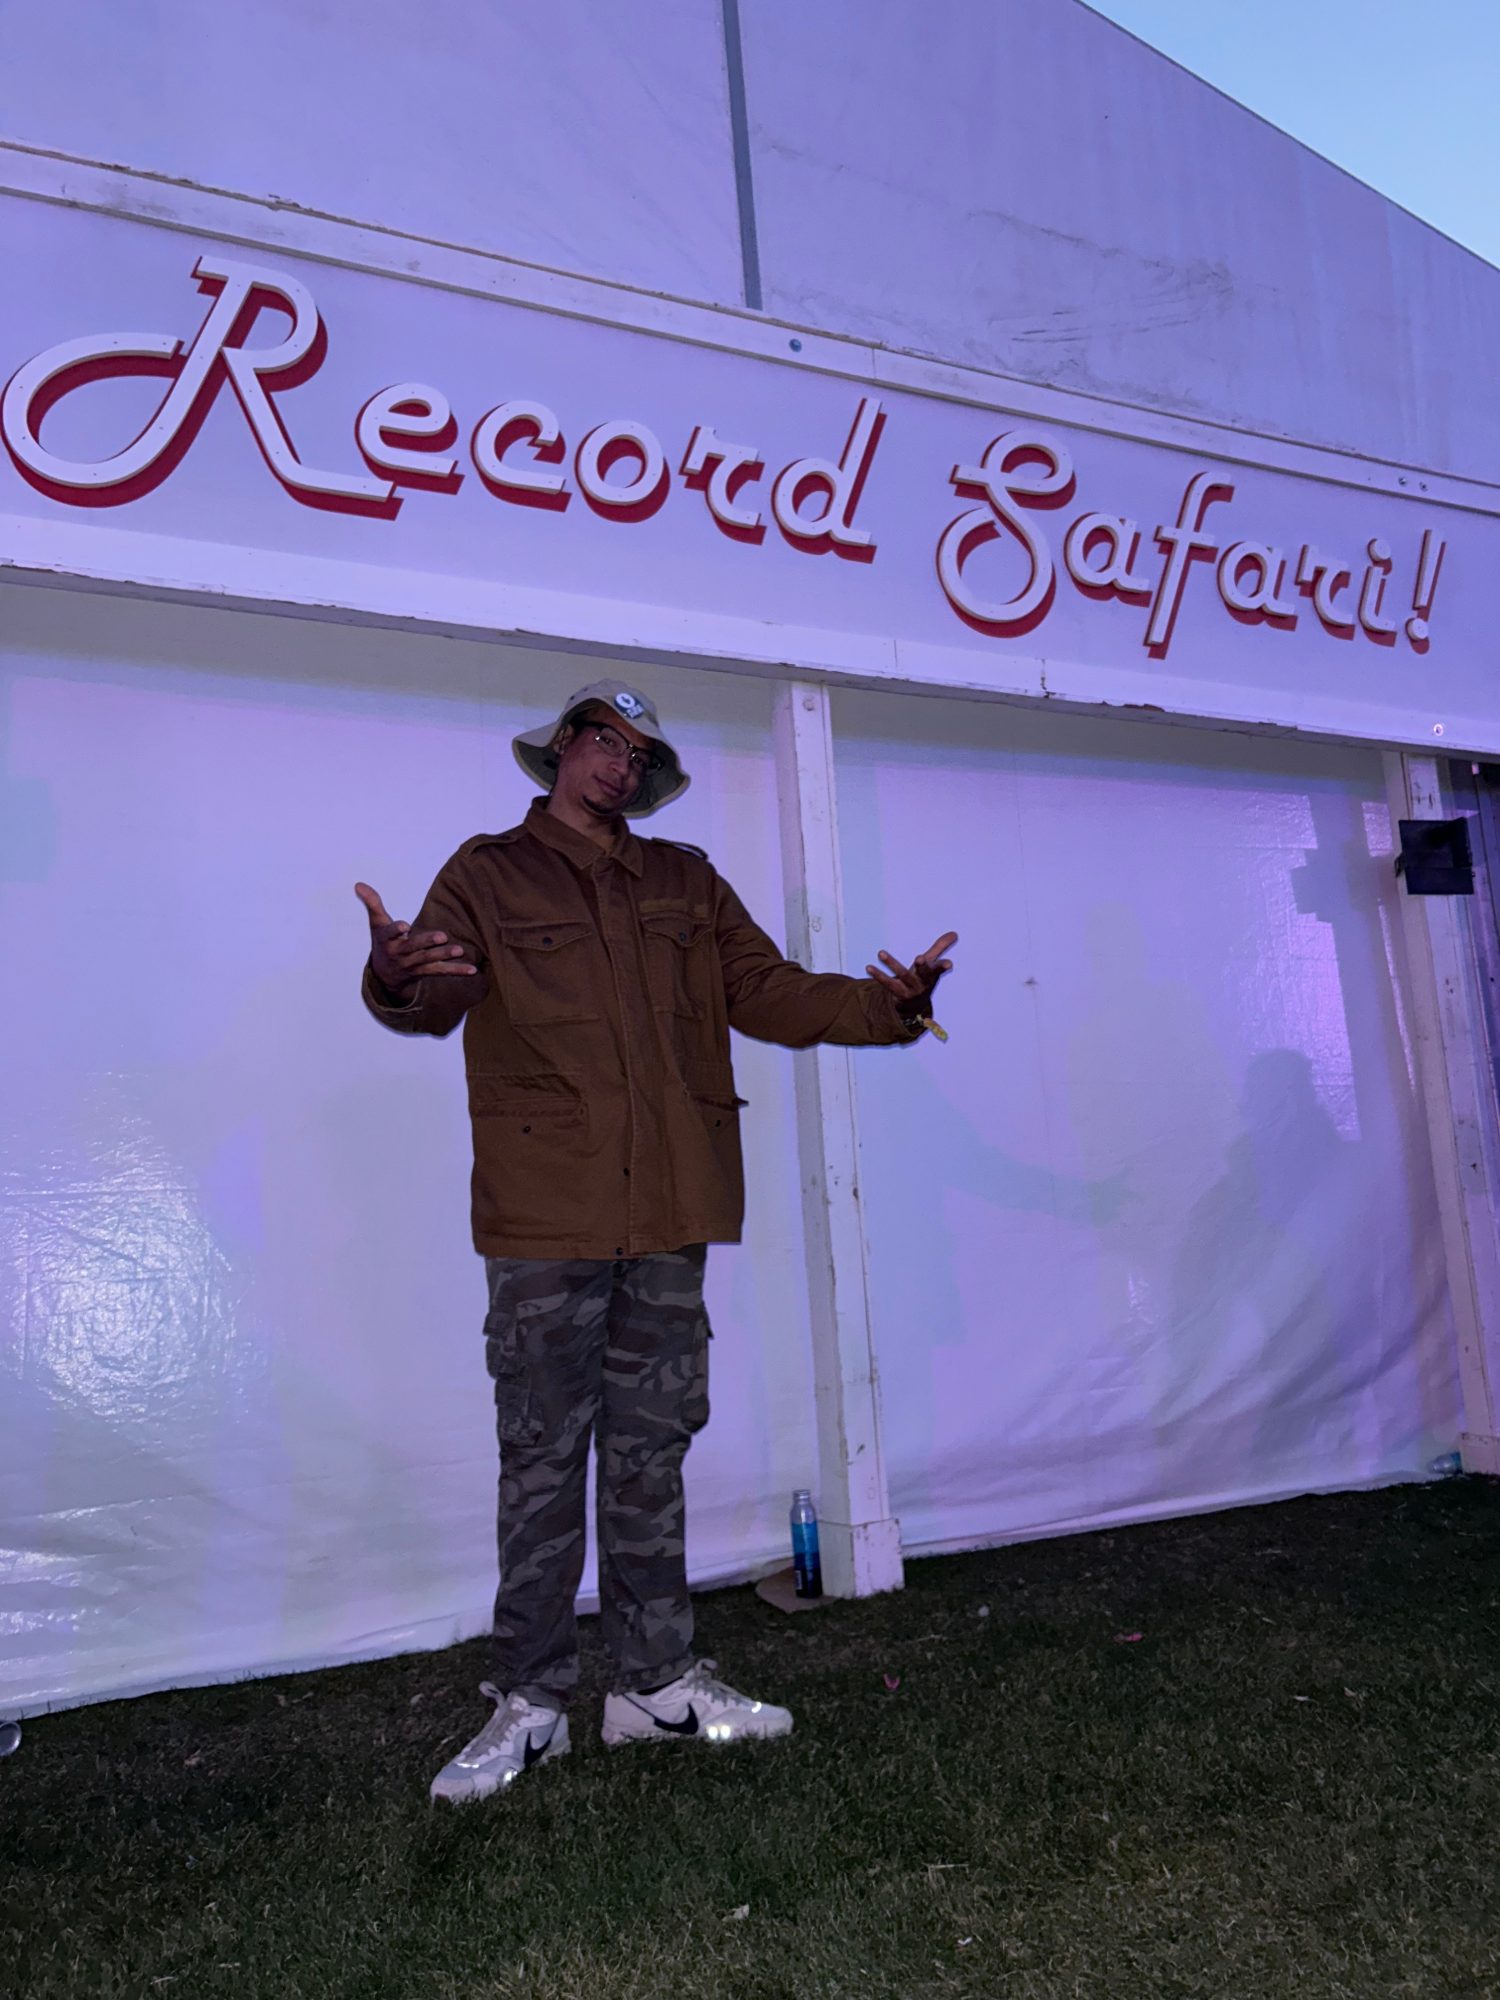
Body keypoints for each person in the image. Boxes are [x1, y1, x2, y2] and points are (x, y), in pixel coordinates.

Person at [356, 679, 957, 1803]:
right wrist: (393, 975)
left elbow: (768, 992)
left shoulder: (686, 881)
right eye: (605, 741)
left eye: (640, 756)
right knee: (542, 1458)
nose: (621, 766)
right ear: (563, 748)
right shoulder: (488, 873)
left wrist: (894, 1009)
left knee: (650, 1452)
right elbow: (432, 999)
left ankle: (654, 1685)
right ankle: (531, 1701)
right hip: (548, 1215)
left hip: (671, 1211)